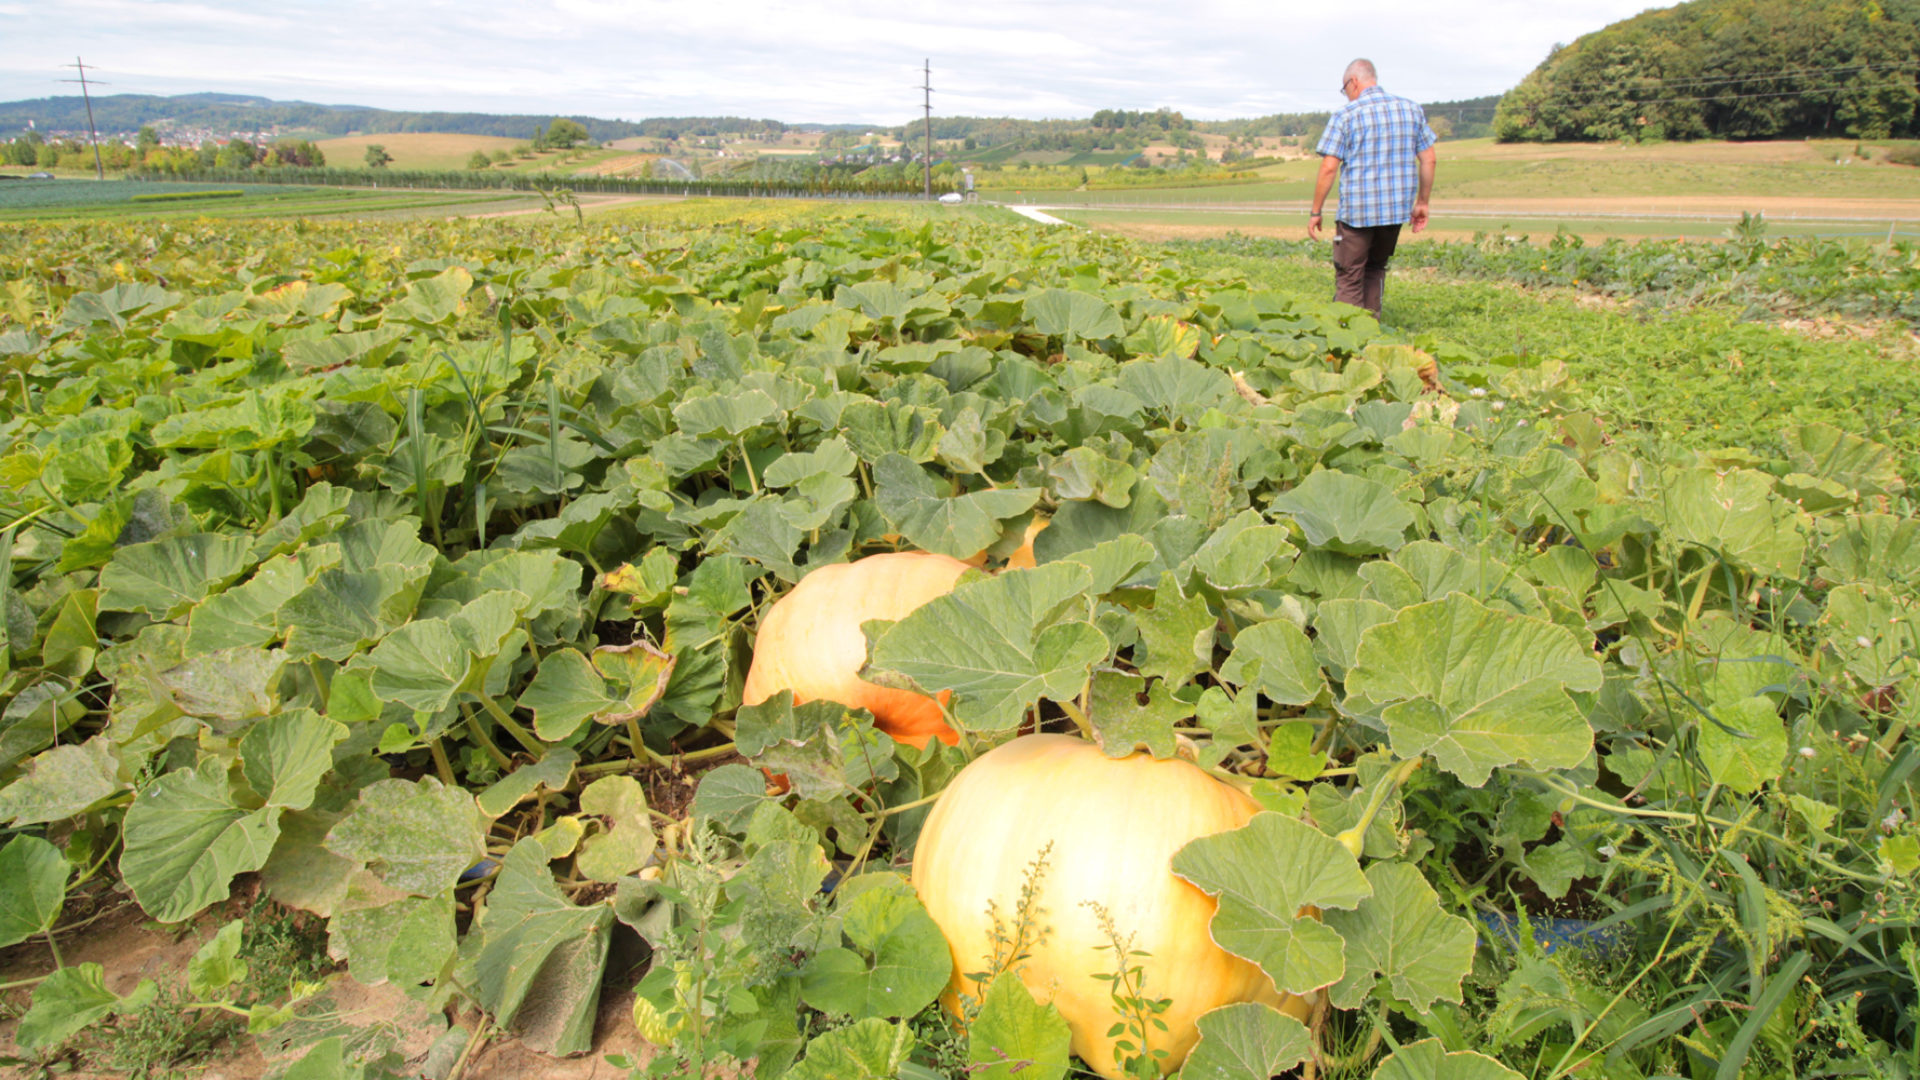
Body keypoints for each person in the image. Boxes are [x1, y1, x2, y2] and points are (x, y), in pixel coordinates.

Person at [1308, 59, 1438, 317]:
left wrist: (1315, 211)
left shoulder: (1346, 115)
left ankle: (1347, 341)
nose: (1346, 96)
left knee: (1349, 275)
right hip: (1394, 211)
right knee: (1376, 268)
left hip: (1357, 213)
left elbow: (1328, 168)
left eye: (1345, 89)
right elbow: (1429, 158)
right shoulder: (1411, 110)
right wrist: (1422, 203)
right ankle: (1371, 333)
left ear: (1353, 82)